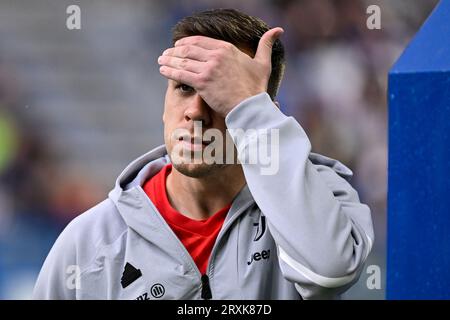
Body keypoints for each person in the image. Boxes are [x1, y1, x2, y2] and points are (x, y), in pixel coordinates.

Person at [33, 8, 374, 300]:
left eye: (220, 91)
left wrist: (251, 112)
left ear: (259, 112)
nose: (195, 111)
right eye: (183, 88)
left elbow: (329, 273)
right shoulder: (89, 242)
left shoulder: (321, 193)